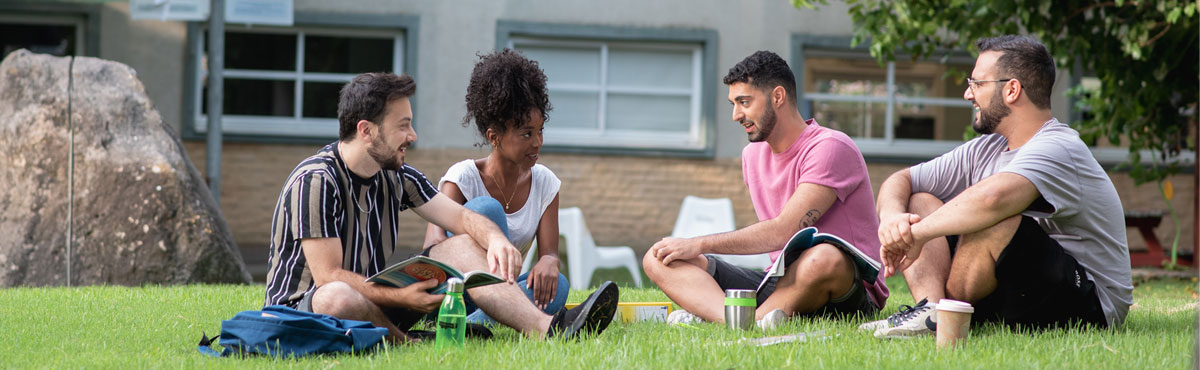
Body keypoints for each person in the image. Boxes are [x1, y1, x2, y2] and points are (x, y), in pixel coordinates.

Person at [262, 72, 617, 344]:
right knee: (337, 297)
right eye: (403, 126)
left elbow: (461, 217)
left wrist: (495, 240)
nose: (413, 135)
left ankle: (547, 329)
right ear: (366, 131)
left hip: (372, 302)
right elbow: (329, 276)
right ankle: (405, 342)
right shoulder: (317, 180)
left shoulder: (396, 176)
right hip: (304, 313)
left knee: (464, 241)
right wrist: (401, 296)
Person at [863, 35, 1131, 338]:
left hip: (1090, 302)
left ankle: (948, 312)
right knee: (920, 200)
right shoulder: (986, 149)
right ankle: (935, 314)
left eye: (977, 84)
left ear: (1012, 89)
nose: (967, 94)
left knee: (993, 216)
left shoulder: (1059, 147)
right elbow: (902, 180)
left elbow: (993, 199)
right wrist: (893, 220)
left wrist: (916, 235)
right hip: (1024, 290)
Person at [643, 51, 889, 329]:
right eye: (733, 104)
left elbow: (785, 230)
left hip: (846, 289)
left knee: (825, 257)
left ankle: (745, 317)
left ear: (778, 97)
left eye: (744, 102)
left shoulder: (830, 147)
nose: (736, 115)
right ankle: (731, 320)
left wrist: (699, 243)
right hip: (778, 280)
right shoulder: (752, 156)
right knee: (659, 257)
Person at [424, 49, 569, 325]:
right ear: (494, 137)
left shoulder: (545, 183)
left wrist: (550, 261)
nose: (537, 142)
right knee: (485, 209)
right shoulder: (463, 178)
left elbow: (549, 252)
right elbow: (433, 247)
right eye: (526, 133)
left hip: (508, 290)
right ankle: (489, 317)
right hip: (456, 294)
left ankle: (479, 324)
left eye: (540, 131)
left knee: (557, 286)